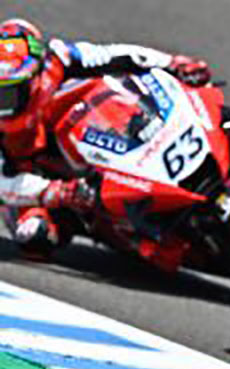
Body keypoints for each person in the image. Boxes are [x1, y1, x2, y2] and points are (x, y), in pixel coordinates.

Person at [0, 18, 212, 255]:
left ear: (33, 76)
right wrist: (58, 191)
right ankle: (96, 223)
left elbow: (116, 54)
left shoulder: (57, 57)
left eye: (6, 94)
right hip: (32, 175)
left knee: (173, 84)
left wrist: (172, 63)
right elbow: (4, 184)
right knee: (35, 237)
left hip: (84, 122)